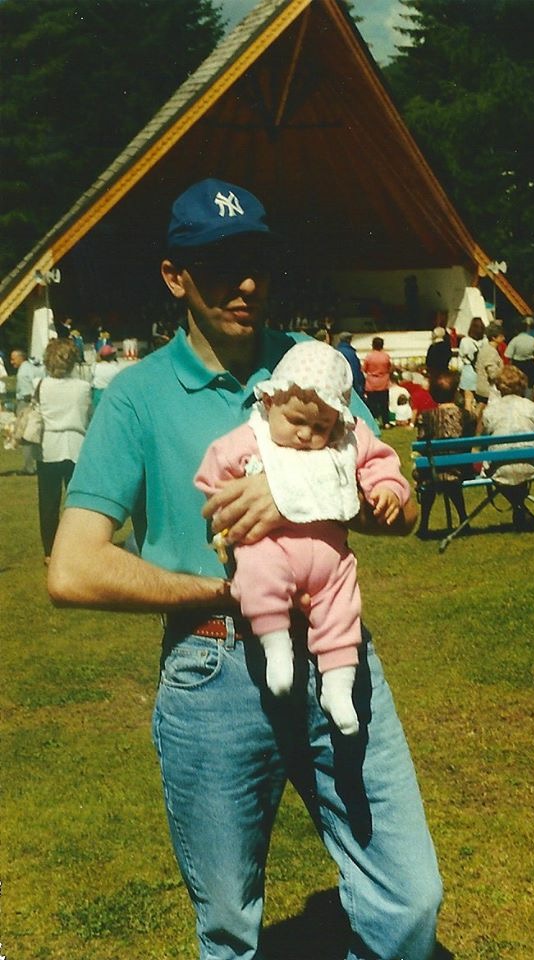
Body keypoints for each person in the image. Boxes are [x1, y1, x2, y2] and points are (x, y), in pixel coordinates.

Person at [48, 178, 442, 960]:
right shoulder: (136, 397)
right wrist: (228, 592)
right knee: (229, 923)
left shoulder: (313, 367)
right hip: (212, 665)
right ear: (175, 276)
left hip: (334, 649)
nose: (247, 284)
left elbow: (394, 505)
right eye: (220, 264)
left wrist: (297, 485)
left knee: (409, 895)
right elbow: (73, 568)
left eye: (257, 261)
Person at [195, 340, 411, 737]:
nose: (306, 434)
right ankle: (276, 649)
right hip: (272, 546)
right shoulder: (253, 437)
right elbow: (215, 468)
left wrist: (387, 490)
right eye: (296, 421)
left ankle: (339, 687)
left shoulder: (348, 436)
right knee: (258, 572)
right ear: (270, 401)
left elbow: (380, 461)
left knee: (342, 607)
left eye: (320, 428)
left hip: (329, 556)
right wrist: (224, 503)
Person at [37, 338, 92, 563]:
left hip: (48, 447)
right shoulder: (83, 387)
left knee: (48, 502)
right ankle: (78, 546)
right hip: (76, 445)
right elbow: (87, 415)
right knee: (78, 502)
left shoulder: (40, 385)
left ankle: (50, 551)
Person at [415, 370, 476, 537]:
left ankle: (424, 523)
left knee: (430, 477)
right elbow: (469, 441)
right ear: (456, 392)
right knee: (450, 476)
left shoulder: (425, 417)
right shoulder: (467, 416)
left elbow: (421, 443)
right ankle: (463, 517)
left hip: (432, 470)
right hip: (461, 468)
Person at [481, 365, 534, 532]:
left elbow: (486, 440)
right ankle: (520, 507)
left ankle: (519, 507)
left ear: (499, 387)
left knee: (501, 462)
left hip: (500, 468)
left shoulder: (490, 411)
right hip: (530, 465)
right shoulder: (533, 408)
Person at [10, 348, 43, 475]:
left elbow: (26, 393)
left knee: (24, 435)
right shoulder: (32, 368)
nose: (11, 362)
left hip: (25, 403)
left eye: (13, 359)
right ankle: (35, 464)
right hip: (35, 403)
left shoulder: (23, 373)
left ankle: (28, 467)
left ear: (20, 358)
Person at [474, 321, 504, 432]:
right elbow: (492, 373)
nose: (503, 338)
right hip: (488, 389)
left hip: (482, 386)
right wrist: (503, 372)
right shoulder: (491, 351)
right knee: (482, 417)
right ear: (494, 337)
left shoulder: (485, 349)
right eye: (501, 336)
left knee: (480, 415)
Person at [362, 335, 392, 427]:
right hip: (383, 383)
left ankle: (373, 421)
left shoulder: (369, 357)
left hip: (371, 383)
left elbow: (364, 369)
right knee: (384, 404)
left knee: (372, 404)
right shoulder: (386, 356)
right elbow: (389, 368)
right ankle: (386, 422)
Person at [458, 316, 485, 413]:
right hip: (481, 371)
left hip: (468, 370)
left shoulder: (465, 341)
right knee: (481, 401)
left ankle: (469, 418)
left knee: (468, 400)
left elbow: (461, 356)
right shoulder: (485, 341)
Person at [505, 317, 534, 390]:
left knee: (518, 383)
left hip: (518, 365)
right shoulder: (533, 340)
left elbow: (508, 355)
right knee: (530, 385)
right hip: (530, 365)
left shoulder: (515, 340)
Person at [91, 343, 122, 410]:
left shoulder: (95, 366)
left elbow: (92, 380)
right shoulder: (115, 368)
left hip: (97, 393)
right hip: (109, 393)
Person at [335, 330, 365, 397]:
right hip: (351, 387)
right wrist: (360, 388)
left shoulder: (336, 351)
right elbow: (355, 371)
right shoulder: (351, 353)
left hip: (338, 385)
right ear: (349, 340)